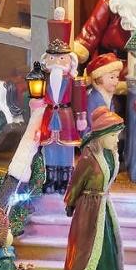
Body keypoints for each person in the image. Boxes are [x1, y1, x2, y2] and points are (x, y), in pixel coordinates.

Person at [60, 106, 125, 270]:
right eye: (113, 136)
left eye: (117, 135)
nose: (116, 140)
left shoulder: (111, 155)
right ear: (102, 136)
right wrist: (70, 202)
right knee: (85, 253)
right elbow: (76, 183)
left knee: (106, 253)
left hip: (103, 209)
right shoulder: (89, 158)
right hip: (88, 212)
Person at [36, 10, 84, 193]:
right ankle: (50, 180)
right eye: (52, 58)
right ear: (46, 60)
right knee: (50, 148)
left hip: (66, 118)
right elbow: (37, 97)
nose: (56, 61)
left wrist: (81, 117)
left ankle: (65, 180)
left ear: (70, 61)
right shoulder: (43, 79)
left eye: (61, 58)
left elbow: (79, 100)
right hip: (49, 117)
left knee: (65, 149)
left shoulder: (73, 81)